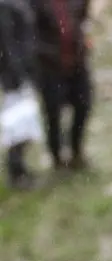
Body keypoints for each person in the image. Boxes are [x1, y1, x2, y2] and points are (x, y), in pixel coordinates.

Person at [27, 0, 92, 171]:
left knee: (83, 105)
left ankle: (76, 150)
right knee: (53, 113)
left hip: (77, 61)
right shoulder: (34, 4)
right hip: (49, 67)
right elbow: (29, 32)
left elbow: (83, 18)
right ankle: (56, 157)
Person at [0, 0, 38, 190]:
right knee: (18, 125)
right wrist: (19, 74)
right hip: (15, 77)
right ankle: (17, 171)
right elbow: (8, 44)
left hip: (23, 73)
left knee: (26, 124)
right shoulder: (6, 6)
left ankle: (20, 168)